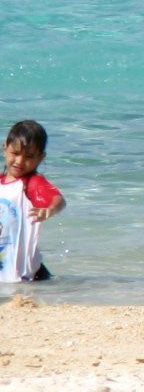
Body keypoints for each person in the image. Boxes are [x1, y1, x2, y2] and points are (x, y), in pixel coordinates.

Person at [1, 119, 64, 282]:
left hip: (29, 274)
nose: (20, 161)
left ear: (40, 157)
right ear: (5, 148)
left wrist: (50, 209)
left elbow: (58, 199)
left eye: (29, 156)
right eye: (15, 153)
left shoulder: (32, 183)